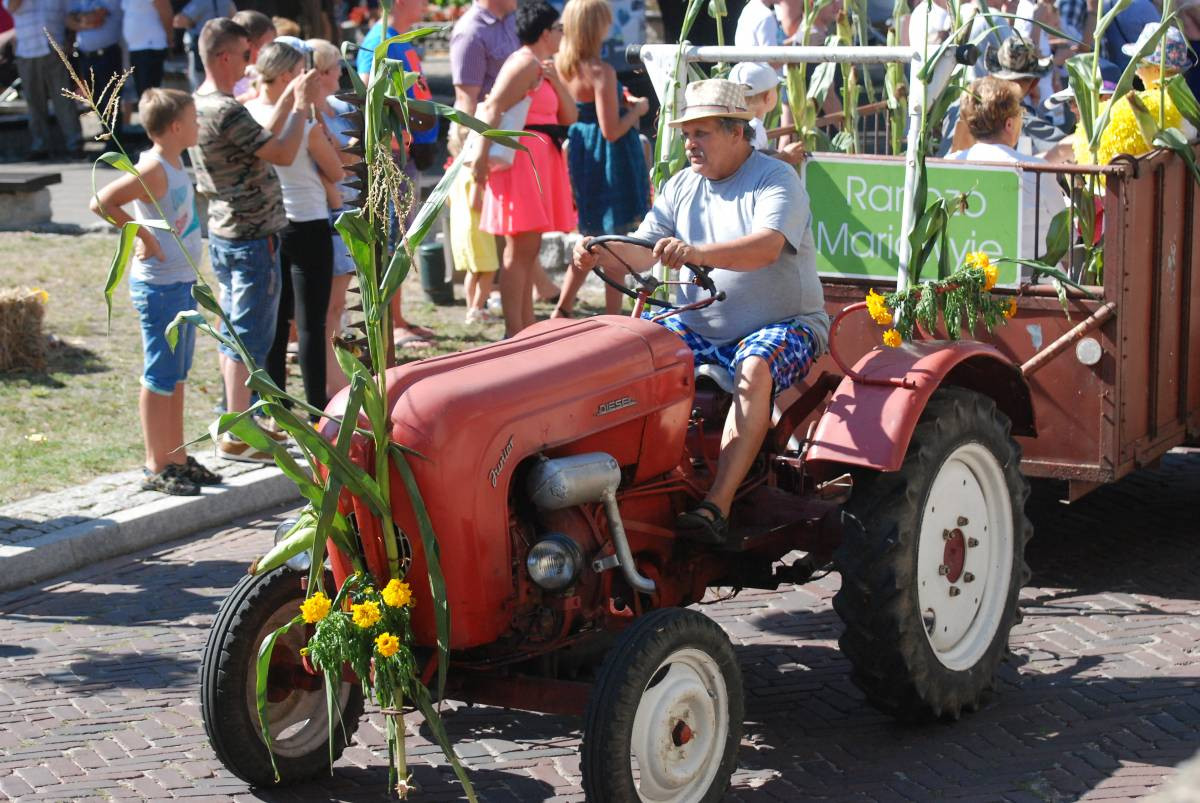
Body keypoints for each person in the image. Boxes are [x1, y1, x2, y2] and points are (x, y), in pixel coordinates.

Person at [571, 79, 830, 543]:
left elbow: (767, 248)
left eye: (702, 133)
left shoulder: (776, 179)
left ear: (737, 132)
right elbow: (641, 251)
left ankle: (717, 505)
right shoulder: (681, 185)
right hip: (701, 324)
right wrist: (598, 252)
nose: (690, 143)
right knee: (627, 352)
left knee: (754, 366)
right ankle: (635, 483)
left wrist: (696, 253)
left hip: (784, 324)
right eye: (687, 134)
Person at [189, 17, 322, 461]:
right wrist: (302, 105)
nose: (251, 66)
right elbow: (282, 152)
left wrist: (286, 98)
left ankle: (239, 420)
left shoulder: (203, 103)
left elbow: (262, 137)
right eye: (247, 56)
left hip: (228, 231)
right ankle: (238, 430)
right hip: (251, 236)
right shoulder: (226, 110)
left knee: (236, 330)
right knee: (249, 337)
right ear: (225, 57)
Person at [89, 88, 221, 495]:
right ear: (177, 126)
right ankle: (155, 463)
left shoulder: (175, 162)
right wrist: (143, 235)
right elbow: (102, 202)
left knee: (177, 374)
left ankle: (176, 456)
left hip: (181, 284)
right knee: (160, 374)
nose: (200, 124)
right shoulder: (153, 168)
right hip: (159, 288)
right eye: (195, 118)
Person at [246, 40, 344, 415]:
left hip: (271, 225)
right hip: (308, 224)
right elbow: (336, 169)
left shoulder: (251, 114)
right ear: (289, 76)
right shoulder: (302, 123)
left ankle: (276, 408)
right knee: (310, 325)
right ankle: (317, 408)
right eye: (304, 70)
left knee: (274, 322)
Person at [474, 0, 577, 337]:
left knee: (526, 250)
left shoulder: (540, 65)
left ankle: (524, 327)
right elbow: (492, 109)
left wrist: (555, 81)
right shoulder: (522, 63)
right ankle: (514, 330)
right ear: (546, 32)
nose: (563, 34)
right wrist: (479, 161)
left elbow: (569, 117)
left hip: (537, 160)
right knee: (519, 251)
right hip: (520, 163)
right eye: (559, 28)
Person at [551, 0, 649, 318]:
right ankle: (612, 316)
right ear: (596, 27)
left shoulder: (561, 65)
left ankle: (563, 307)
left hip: (581, 149)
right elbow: (611, 130)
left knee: (589, 237)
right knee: (614, 238)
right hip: (611, 158)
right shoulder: (600, 70)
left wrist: (621, 100)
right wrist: (637, 109)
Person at [355, 0, 441, 349]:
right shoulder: (379, 41)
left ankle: (399, 318)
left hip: (409, 155)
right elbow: (368, 96)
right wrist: (394, 144)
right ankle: (391, 323)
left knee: (402, 238)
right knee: (393, 238)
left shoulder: (400, 38)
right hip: (393, 159)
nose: (428, 4)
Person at [448, 0, 518, 325]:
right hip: (486, 142)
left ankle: (509, 294)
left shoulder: (512, 19)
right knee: (482, 233)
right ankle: (480, 306)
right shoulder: (470, 31)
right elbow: (466, 104)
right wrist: (477, 161)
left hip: (513, 136)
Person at [948, 76, 1068, 262]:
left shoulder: (950, 164)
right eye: (1021, 113)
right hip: (1033, 284)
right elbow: (1065, 233)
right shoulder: (1037, 170)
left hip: (964, 280)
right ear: (1009, 124)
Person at [310, 37, 357, 395]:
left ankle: (338, 372)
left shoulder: (336, 109)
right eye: (335, 66)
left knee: (340, 303)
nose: (342, 71)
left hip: (348, 207)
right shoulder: (313, 117)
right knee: (329, 306)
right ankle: (331, 383)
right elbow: (337, 162)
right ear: (320, 73)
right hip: (328, 212)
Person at [5, 0, 83, 159]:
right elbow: (12, 7)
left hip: (55, 50)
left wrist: (70, 43)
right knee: (34, 102)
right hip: (27, 51)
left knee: (64, 100)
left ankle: (74, 144)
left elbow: (71, 14)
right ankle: (40, 145)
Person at [728, 60, 807, 165]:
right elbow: (749, 166)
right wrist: (785, 156)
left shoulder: (730, 122)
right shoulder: (754, 128)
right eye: (776, 90)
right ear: (768, 97)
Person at [66, 0, 123, 137]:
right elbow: (68, 21)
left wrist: (79, 20)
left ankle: (115, 139)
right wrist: (85, 21)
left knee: (110, 98)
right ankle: (107, 134)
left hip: (107, 54)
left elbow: (98, 18)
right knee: (95, 99)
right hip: (86, 56)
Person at [174, 0, 237, 89]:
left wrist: (191, 23)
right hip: (223, 43)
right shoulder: (227, 2)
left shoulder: (200, 2)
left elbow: (179, 21)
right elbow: (234, 19)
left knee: (198, 81)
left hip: (201, 47)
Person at [121, 0, 172, 99]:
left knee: (152, 99)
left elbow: (165, 9)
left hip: (152, 48)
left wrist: (170, 36)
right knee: (143, 96)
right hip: (135, 49)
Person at [231, 8, 275, 100]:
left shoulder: (263, 72)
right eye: (266, 46)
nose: (272, 51)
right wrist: (252, 93)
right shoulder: (231, 79)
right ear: (248, 45)